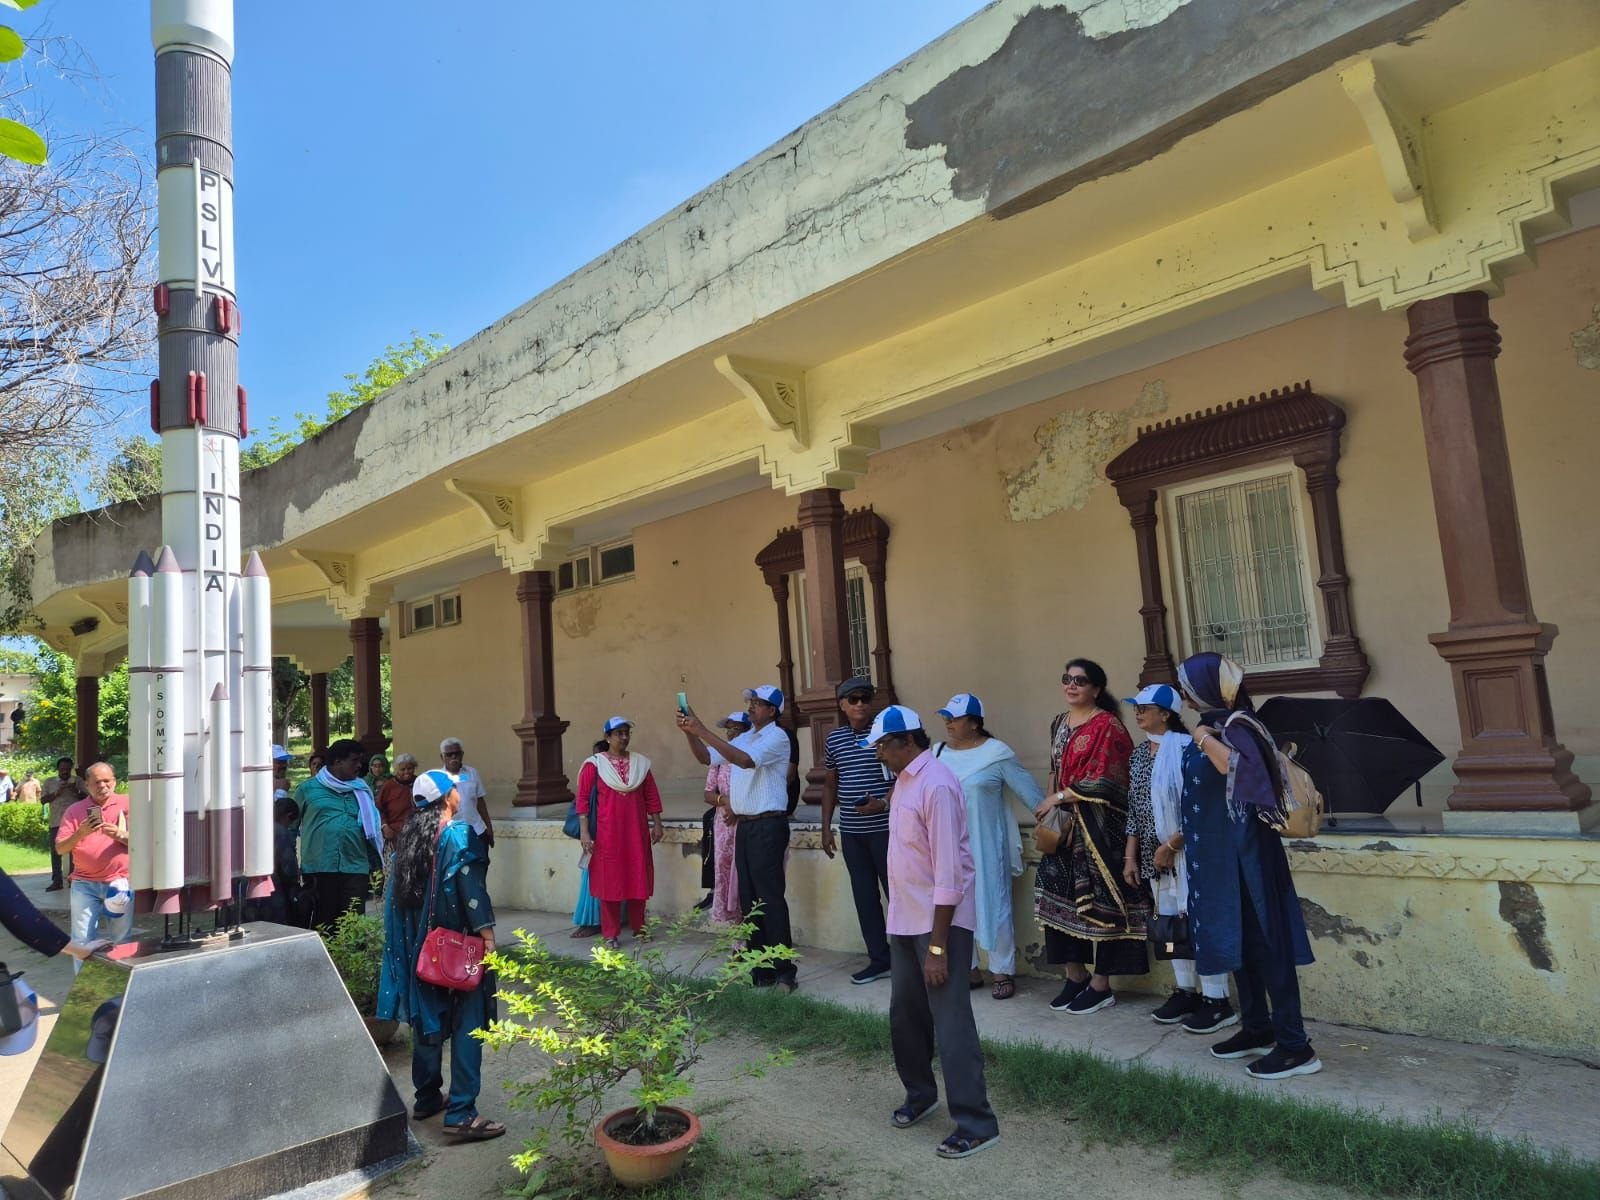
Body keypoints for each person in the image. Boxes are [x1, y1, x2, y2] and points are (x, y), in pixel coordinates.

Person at [865, 705, 1000, 1160]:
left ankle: (976, 1122)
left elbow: (949, 875)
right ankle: (921, 1094)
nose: (878, 754)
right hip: (905, 920)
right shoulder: (904, 781)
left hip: (939, 926)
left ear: (905, 741)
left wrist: (938, 948)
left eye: (882, 745)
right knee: (906, 1013)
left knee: (951, 1021)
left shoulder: (937, 784)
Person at [1177, 653, 1320, 1080]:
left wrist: (1204, 738)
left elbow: (1244, 775)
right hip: (1219, 858)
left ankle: (1295, 1045)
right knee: (1240, 944)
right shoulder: (1219, 725)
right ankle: (1257, 1027)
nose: (1183, 691)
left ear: (1205, 686)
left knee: (1269, 945)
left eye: (1187, 683)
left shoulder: (1238, 725)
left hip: (1248, 857)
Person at [376, 768, 504, 1141]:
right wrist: (488, 939)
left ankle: (428, 1097)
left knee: (428, 1023)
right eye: (454, 789)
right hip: (456, 947)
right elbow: (472, 890)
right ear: (448, 797)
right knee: (469, 1022)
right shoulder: (457, 836)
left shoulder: (409, 842)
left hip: (419, 950)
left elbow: (394, 906)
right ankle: (462, 1112)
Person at [1033, 658, 1150, 1015]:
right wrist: (1051, 808)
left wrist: (1060, 796)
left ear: (1096, 689)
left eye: (1080, 681)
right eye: (1067, 678)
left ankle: (1102, 984)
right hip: (1063, 829)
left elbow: (1110, 778)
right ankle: (1075, 975)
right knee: (1054, 893)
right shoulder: (1058, 723)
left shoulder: (1108, 725)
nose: (1072, 686)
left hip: (1101, 830)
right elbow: (1056, 770)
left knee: (1107, 903)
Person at [1121, 684, 1235, 1032]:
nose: (1138, 712)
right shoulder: (1139, 756)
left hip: (1189, 855)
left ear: (1165, 714)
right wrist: (1130, 857)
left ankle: (1216, 998)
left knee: (1197, 923)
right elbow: (1135, 811)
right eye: (1136, 707)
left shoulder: (1190, 751)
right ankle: (1185, 990)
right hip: (1155, 860)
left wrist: (1172, 845)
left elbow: (1201, 809)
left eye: (1145, 707)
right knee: (1170, 928)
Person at [678, 685, 799, 992]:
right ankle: (760, 969)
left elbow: (745, 761)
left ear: (772, 710)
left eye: (758, 704)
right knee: (749, 900)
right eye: (750, 702)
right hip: (744, 827)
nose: (751, 707)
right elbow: (707, 757)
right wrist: (690, 732)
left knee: (770, 898)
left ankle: (784, 970)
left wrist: (703, 729)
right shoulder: (745, 737)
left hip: (768, 825)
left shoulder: (777, 737)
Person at [934, 693, 1042, 1001]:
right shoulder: (937, 753)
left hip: (985, 843)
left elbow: (1031, 794)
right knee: (952, 905)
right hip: (948, 845)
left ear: (973, 723)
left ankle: (1001, 970)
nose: (948, 723)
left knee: (994, 904)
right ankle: (967, 967)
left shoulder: (997, 753)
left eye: (954, 718)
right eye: (946, 717)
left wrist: (1056, 820)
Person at [820, 677, 893, 985]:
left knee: (899, 896)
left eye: (865, 698)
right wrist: (826, 827)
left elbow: (905, 775)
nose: (860, 703)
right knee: (865, 898)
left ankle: (914, 958)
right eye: (853, 699)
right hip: (852, 833)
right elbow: (830, 784)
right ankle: (880, 960)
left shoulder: (886, 735)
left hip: (887, 830)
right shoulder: (834, 740)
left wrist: (885, 803)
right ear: (842, 705)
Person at [576, 718, 665, 949]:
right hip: (607, 835)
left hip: (636, 832)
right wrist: (585, 833)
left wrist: (657, 823)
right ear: (608, 737)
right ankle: (610, 934)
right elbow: (583, 800)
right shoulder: (594, 765)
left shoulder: (640, 764)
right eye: (619, 733)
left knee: (638, 879)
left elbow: (651, 795)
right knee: (609, 883)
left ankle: (640, 929)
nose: (624, 737)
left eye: (627, 733)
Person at [55, 763, 134, 971]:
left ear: (114, 781)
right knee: (81, 941)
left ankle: (121, 992)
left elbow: (147, 843)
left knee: (122, 939)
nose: (102, 786)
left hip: (119, 883)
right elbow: (60, 849)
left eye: (107, 781)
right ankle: (85, 996)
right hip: (84, 883)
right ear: (87, 785)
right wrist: (80, 834)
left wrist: (120, 835)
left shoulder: (128, 804)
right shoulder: (75, 811)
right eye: (96, 782)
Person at [298, 739, 384, 930]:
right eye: (354, 761)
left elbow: (371, 831)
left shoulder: (361, 789)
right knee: (324, 923)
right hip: (320, 867)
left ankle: (352, 960)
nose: (359, 765)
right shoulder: (308, 789)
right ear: (337, 762)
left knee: (354, 924)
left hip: (355, 866)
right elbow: (289, 826)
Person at [701, 712, 750, 924]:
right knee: (726, 872)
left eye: (736, 729)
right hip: (724, 824)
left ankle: (752, 936)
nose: (731, 733)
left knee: (743, 877)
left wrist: (737, 805)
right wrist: (726, 801)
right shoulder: (719, 760)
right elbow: (708, 794)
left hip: (746, 822)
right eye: (728, 728)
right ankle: (737, 938)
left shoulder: (750, 756)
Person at [440, 737, 495, 850]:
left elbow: (480, 801)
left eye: (457, 753)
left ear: (462, 754)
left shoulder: (472, 773)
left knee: (479, 865)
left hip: (476, 830)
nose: (453, 757)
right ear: (442, 757)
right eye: (449, 754)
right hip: (452, 834)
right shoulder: (438, 778)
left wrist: (489, 827)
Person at [42, 757, 83, 891]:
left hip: (74, 822)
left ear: (71, 769)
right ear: (58, 769)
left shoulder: (77, 781)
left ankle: (74, 879)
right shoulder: (49, 782)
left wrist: (76, 790)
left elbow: (88, 797)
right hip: (56, 821)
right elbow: (43, 800)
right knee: (55, 852)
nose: (65, 771)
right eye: (62, 769)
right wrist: (57, 793)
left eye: (67, 769)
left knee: (75, 852)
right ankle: (57, 881)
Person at [378, 754, 419, 848]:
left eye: (409, 768)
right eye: (402, 769)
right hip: (394, 834)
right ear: (397, 770)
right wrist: (385, 826)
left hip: (416, 833)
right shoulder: (389, 786)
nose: (406, 772)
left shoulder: (420, 783)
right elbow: (378, 808)